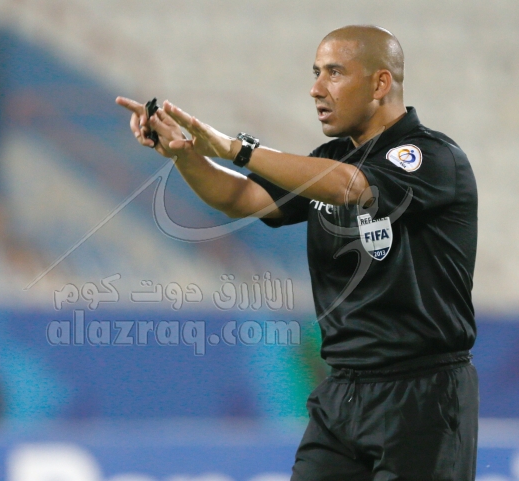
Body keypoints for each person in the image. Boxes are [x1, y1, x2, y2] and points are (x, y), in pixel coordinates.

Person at [116, 25, 478, 481]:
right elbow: (241, 199)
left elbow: (351, 187)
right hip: (343, 390)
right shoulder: (331, 158)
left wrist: (236, 148)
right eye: (315, 72)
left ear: (380, 84)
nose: (316, 89)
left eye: (334, 73)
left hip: (422, 393)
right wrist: (183, 155)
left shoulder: (431, 157)